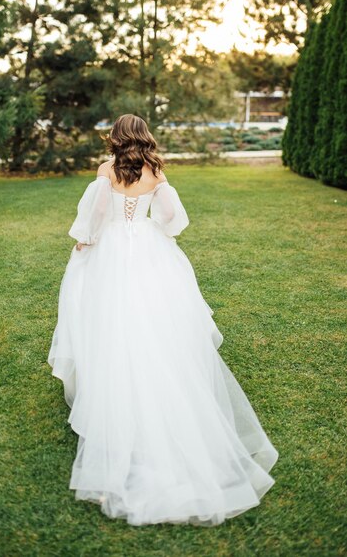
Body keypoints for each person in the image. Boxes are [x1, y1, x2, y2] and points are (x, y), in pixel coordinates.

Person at [48, 113, 278, 527]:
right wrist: (152, 228)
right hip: (149, 251)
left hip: (112, 253)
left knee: (112, 318)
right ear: (145, 139)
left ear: (116, 139)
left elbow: (96, 217)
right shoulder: (156, 171)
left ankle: (114, 386)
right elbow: (174, 220)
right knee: (154, 318)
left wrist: (85, 242)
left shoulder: (105, 170)